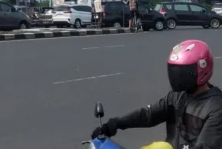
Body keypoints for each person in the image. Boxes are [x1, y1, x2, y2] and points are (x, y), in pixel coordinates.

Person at [92, 39, 222, 148]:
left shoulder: (216, 107)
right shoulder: (177, 97)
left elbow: (206, 146)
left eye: (183, 72)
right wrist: (115, 124)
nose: (177, 77)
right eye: (175, 71)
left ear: (202, 69)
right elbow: (148, 115)